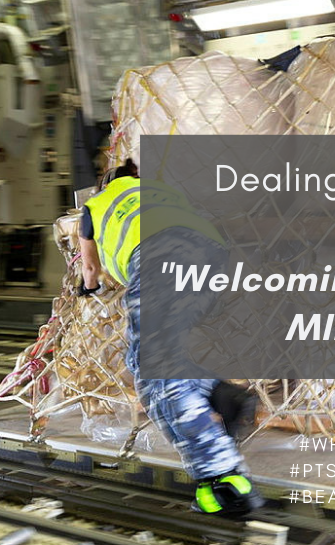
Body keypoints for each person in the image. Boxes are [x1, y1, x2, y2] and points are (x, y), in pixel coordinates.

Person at [79, 159, 264, 516]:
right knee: (145, 362)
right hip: (210, 258)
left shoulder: (96, 204)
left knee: (157, 376)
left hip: (157, 258)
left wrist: (88, 290)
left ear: (105, 183)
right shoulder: (159, 190)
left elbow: (90, 270)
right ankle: (218, 392)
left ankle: (225, 477)